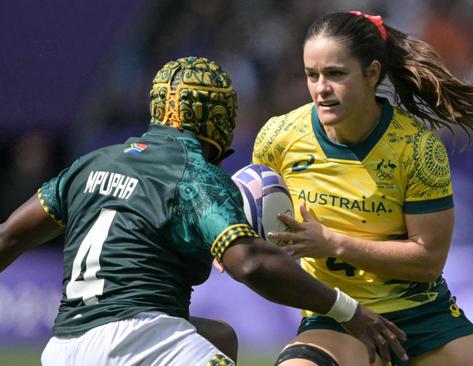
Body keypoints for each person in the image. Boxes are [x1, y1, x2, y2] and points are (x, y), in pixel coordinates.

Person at [0, 57, 407, 366]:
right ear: (216, 116)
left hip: (62, 350)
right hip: (141, 342)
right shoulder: (193, 173)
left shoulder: (91, 163)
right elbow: (249, 264)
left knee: (219, 337)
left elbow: (9, 236)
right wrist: (346, 309)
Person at [252, 11, 473, 366]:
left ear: (372, 72)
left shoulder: (417, 148)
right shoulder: (279, 137)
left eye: (335, 74)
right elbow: (254, 217)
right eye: (311, 75)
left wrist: (332, 242)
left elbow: (427, 262)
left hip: (423, 320)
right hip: (337, 317)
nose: (321, 88)